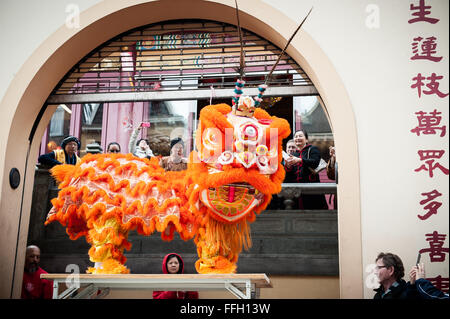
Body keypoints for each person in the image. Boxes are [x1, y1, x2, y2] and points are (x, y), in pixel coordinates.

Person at [284, 130, 328, 209]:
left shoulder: (312, 149)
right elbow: (290, 174)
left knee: (313, 211)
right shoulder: (294, 154)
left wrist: (300, 160)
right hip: (296, 191)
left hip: (311, 189)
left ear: (306, 140)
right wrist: (288, 166)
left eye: (300, 136)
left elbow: (315, 163)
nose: (298, 138)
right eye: (296, 136)